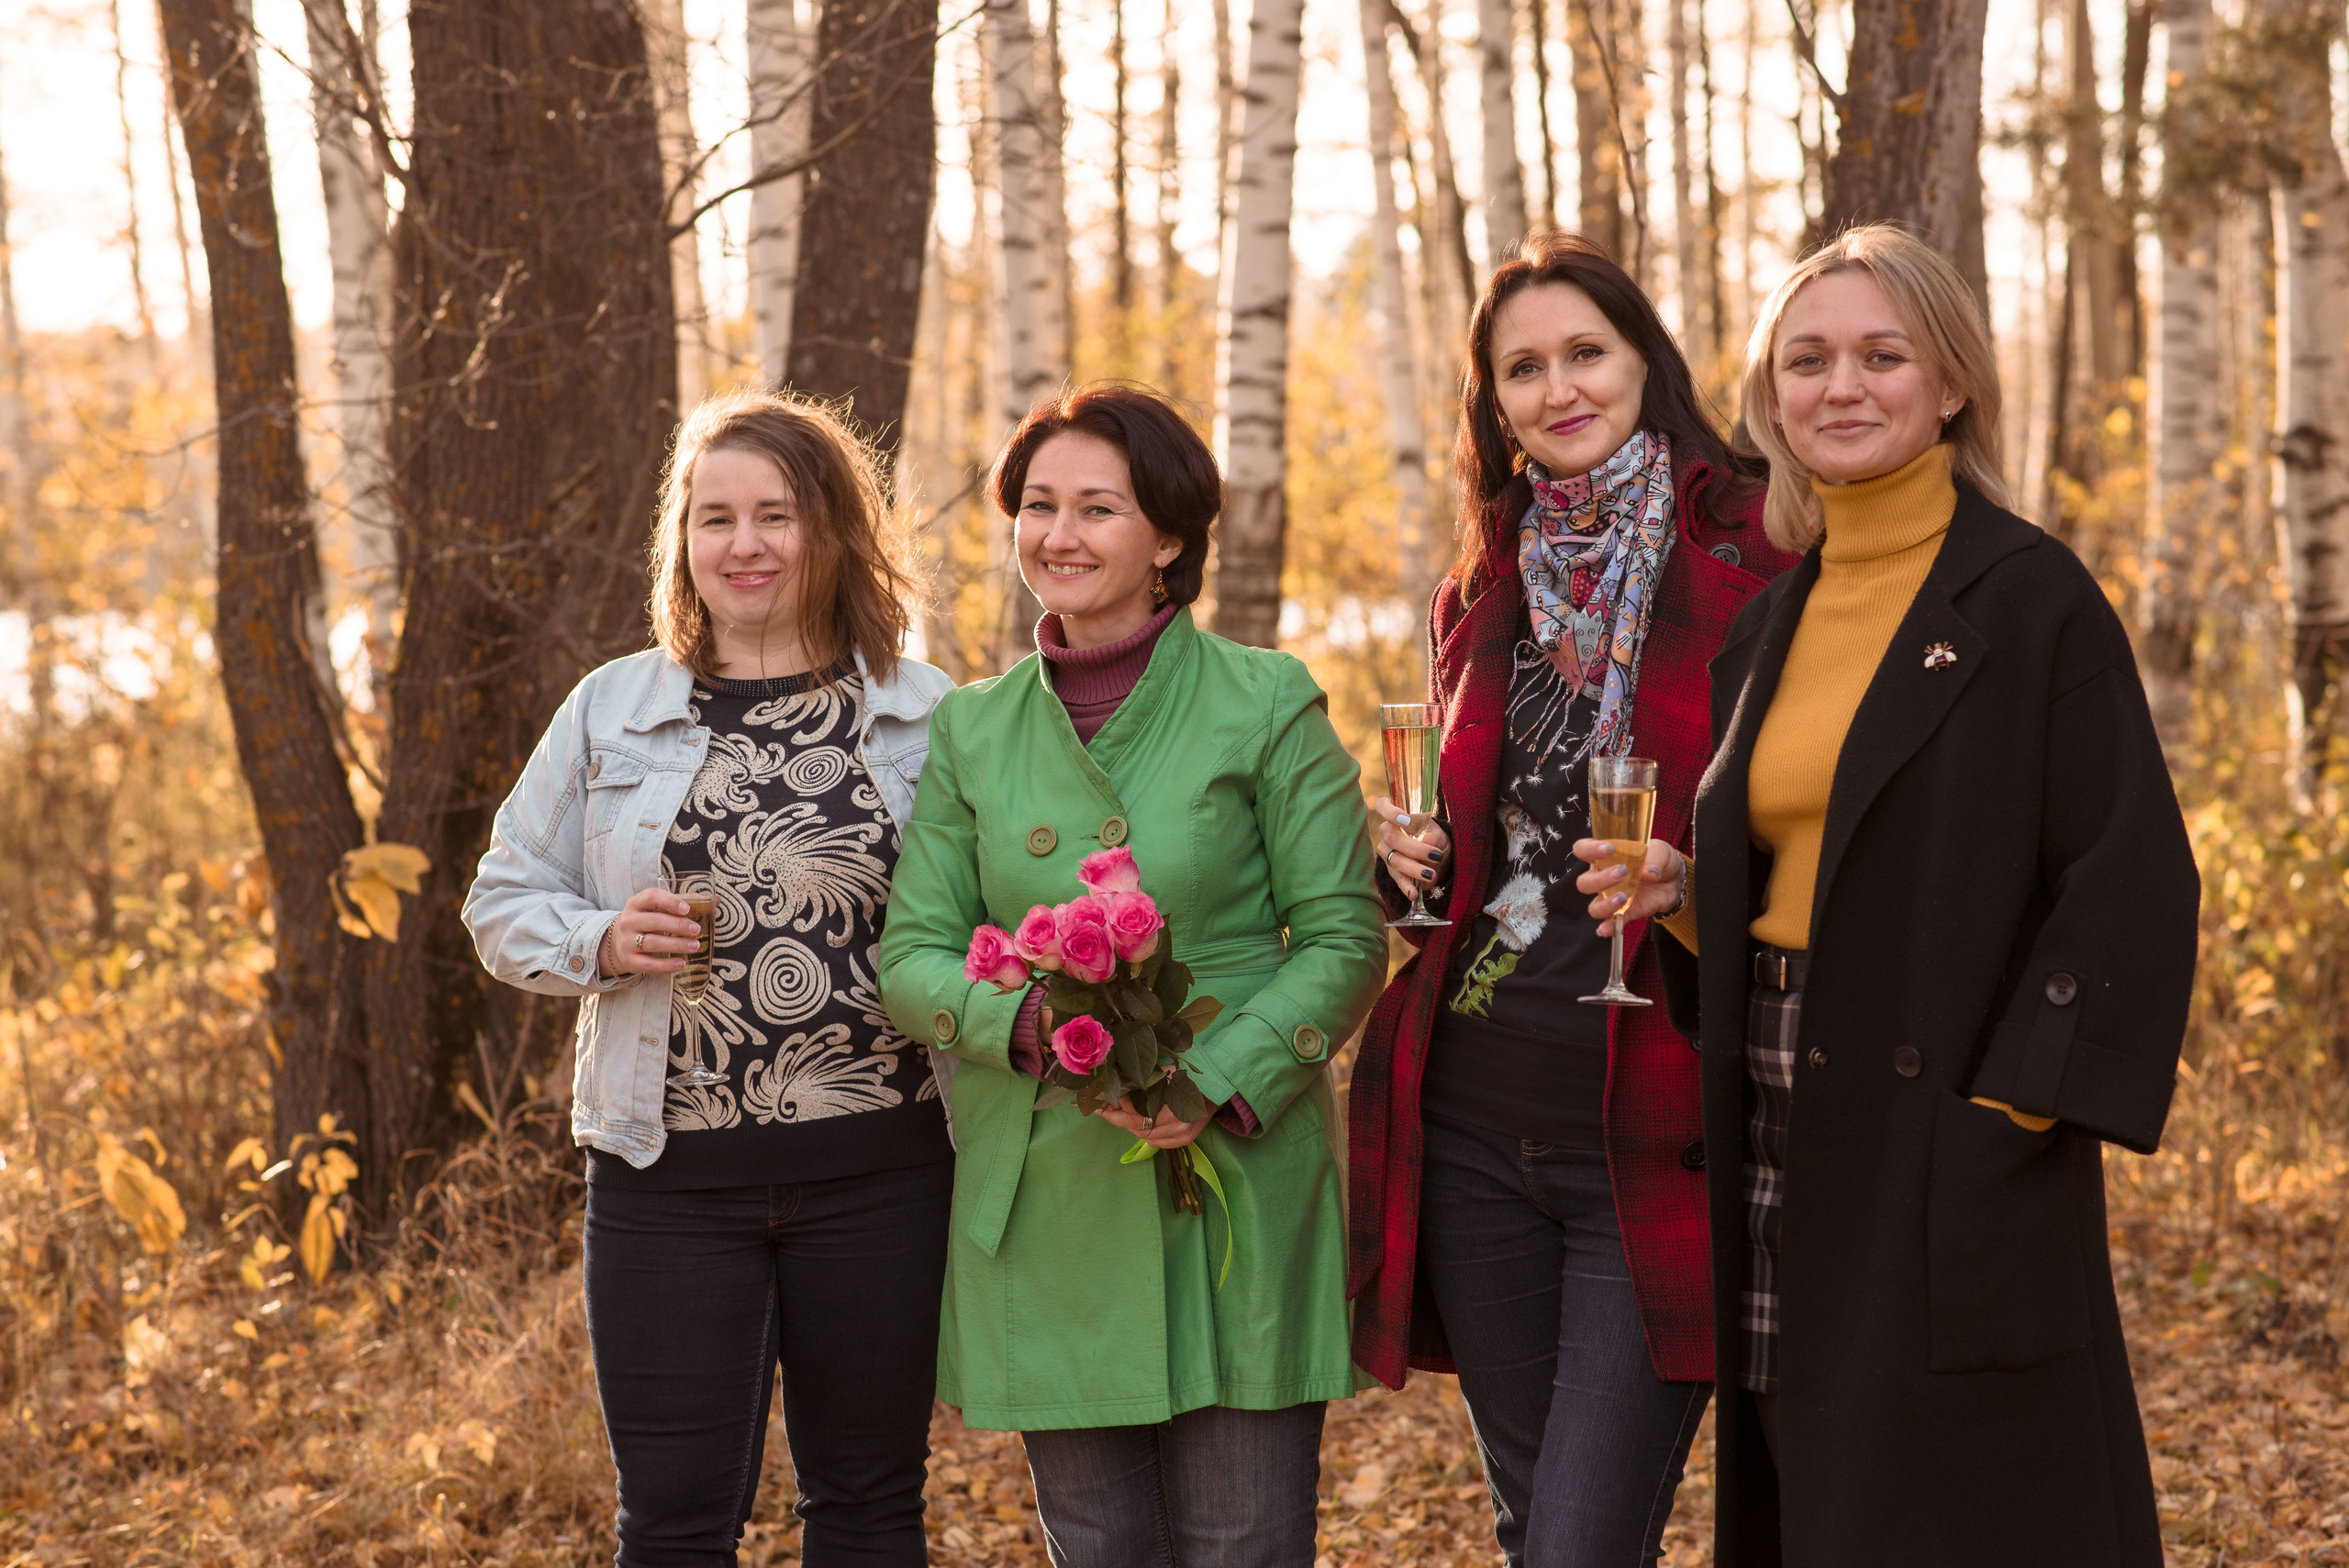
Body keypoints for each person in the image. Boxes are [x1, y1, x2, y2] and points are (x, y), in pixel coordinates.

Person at [1589, 224, 2199, 1566]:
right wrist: (1687, 894)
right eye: (1807, 361)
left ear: (1951, 383)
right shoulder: (1771, 620)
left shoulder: (2029, 598)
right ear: (1772, 397)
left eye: (1882, 355)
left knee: (1956, 1506)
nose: (1842, 388)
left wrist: (2009, 1107)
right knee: (1817, 1490)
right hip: (1776, 1101)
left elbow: (2131, 876)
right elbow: (1812, 868)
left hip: (1949, 1121)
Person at [1344, 231, 1798, 1567]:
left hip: (1654, 1127)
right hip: (1476, 1125)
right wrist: (1400, 864)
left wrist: (1700, 885)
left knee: (1579, 1544)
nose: (1558, 389)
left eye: (1584, 352)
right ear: (1492, 404)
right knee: (1527, 1522)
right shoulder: (1478, 585)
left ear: (1644, 360)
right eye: (1521, 369)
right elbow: (1479, 866)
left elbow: (1838, 830)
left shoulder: (1759, 556)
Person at [876, 384, 1387, 1568]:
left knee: (1242, 1542)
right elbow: (913, 953)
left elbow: (1343, 935)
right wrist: (1029, 1020)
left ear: (1167, 537)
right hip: (1054, 1184)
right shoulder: (973, 727)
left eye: (1098, 507)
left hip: (1235, 1182)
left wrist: (1213, 1077)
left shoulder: (1267, 698)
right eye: (1039, 504)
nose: (1059, 533)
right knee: (1101, 1545)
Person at [462, 389, 958, 1566]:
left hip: (883, 1171)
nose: (743, 544)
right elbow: (501, 896)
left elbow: (993, 923)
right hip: (664, 1179)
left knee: (870, 1505)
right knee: (675, 1524)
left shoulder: (929, 713)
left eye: (775, 514)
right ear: (681, 538)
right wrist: (596, 939)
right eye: (714, 516)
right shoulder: (612, 707)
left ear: (833, 528)